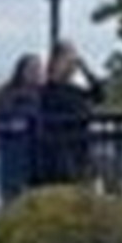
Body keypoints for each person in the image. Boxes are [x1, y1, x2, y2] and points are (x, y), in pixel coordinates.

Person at [37, 42, 103, 185]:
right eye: (67, 59)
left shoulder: (74, 91)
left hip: (80, 148)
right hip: (58, 152)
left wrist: (84, 68)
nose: (71, 65)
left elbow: (99, 95)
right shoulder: (46, 91)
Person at [0, 54, 44, 202]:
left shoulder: (44, 95)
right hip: (13, 158)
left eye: (38, 69)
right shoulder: (8, 94)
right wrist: (13, 127)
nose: (36, 73)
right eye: (32, 69)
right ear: (21, 71)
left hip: (37, 158)